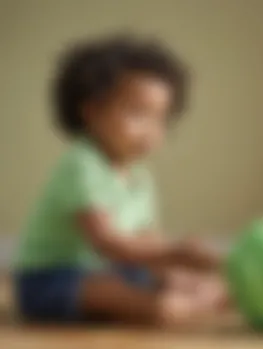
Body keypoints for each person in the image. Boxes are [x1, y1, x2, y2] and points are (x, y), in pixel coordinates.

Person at [13, 34, 228, 327]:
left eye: (160, 118)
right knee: (146, 303)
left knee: (169, 279)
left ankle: (194, 298)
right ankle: (172, 306)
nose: (151, 130)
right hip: (52, 277)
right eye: (137, 113)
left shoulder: (140, 176)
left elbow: (146, 240)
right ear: (91, 111)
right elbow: (107, 243)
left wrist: (178, 271)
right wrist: (177, 251)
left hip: (110, 269)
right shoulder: (82, 164)